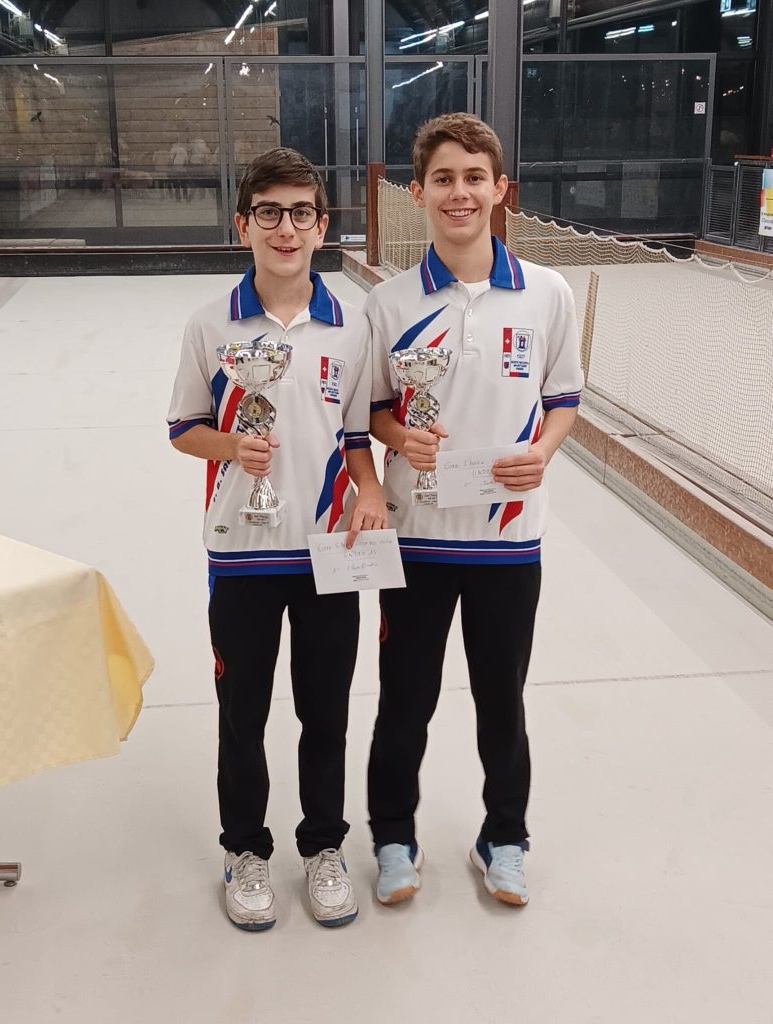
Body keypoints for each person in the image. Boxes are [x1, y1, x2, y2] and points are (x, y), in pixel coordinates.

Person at [365, 114, 583, 908]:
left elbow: (563, 399)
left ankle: (505, 837)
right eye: (443, 179)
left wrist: (543, 451)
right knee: (404, 701)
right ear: (417, 193)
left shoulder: (548, 293)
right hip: (417, 538)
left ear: (500, 190)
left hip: (508, 540)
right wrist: (402, 438)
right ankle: (393, 838)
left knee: (502, 700)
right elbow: (371, 413)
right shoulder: (387, 303)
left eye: (473, 178)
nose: (459, 193)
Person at [167, 147, 385, 931]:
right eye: (268, 213)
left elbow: (355, 434)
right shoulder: (210, 324)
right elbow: (182, 429)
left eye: (300, 213)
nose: (284, 228)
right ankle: (245, 851)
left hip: (328, 552)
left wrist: (370, 490)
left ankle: (323, 846)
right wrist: (231, 446)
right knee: (243, 715)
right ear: (243, 225)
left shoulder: (353, 325)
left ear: (322, 227)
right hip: (241, 554)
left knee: (326, 713)